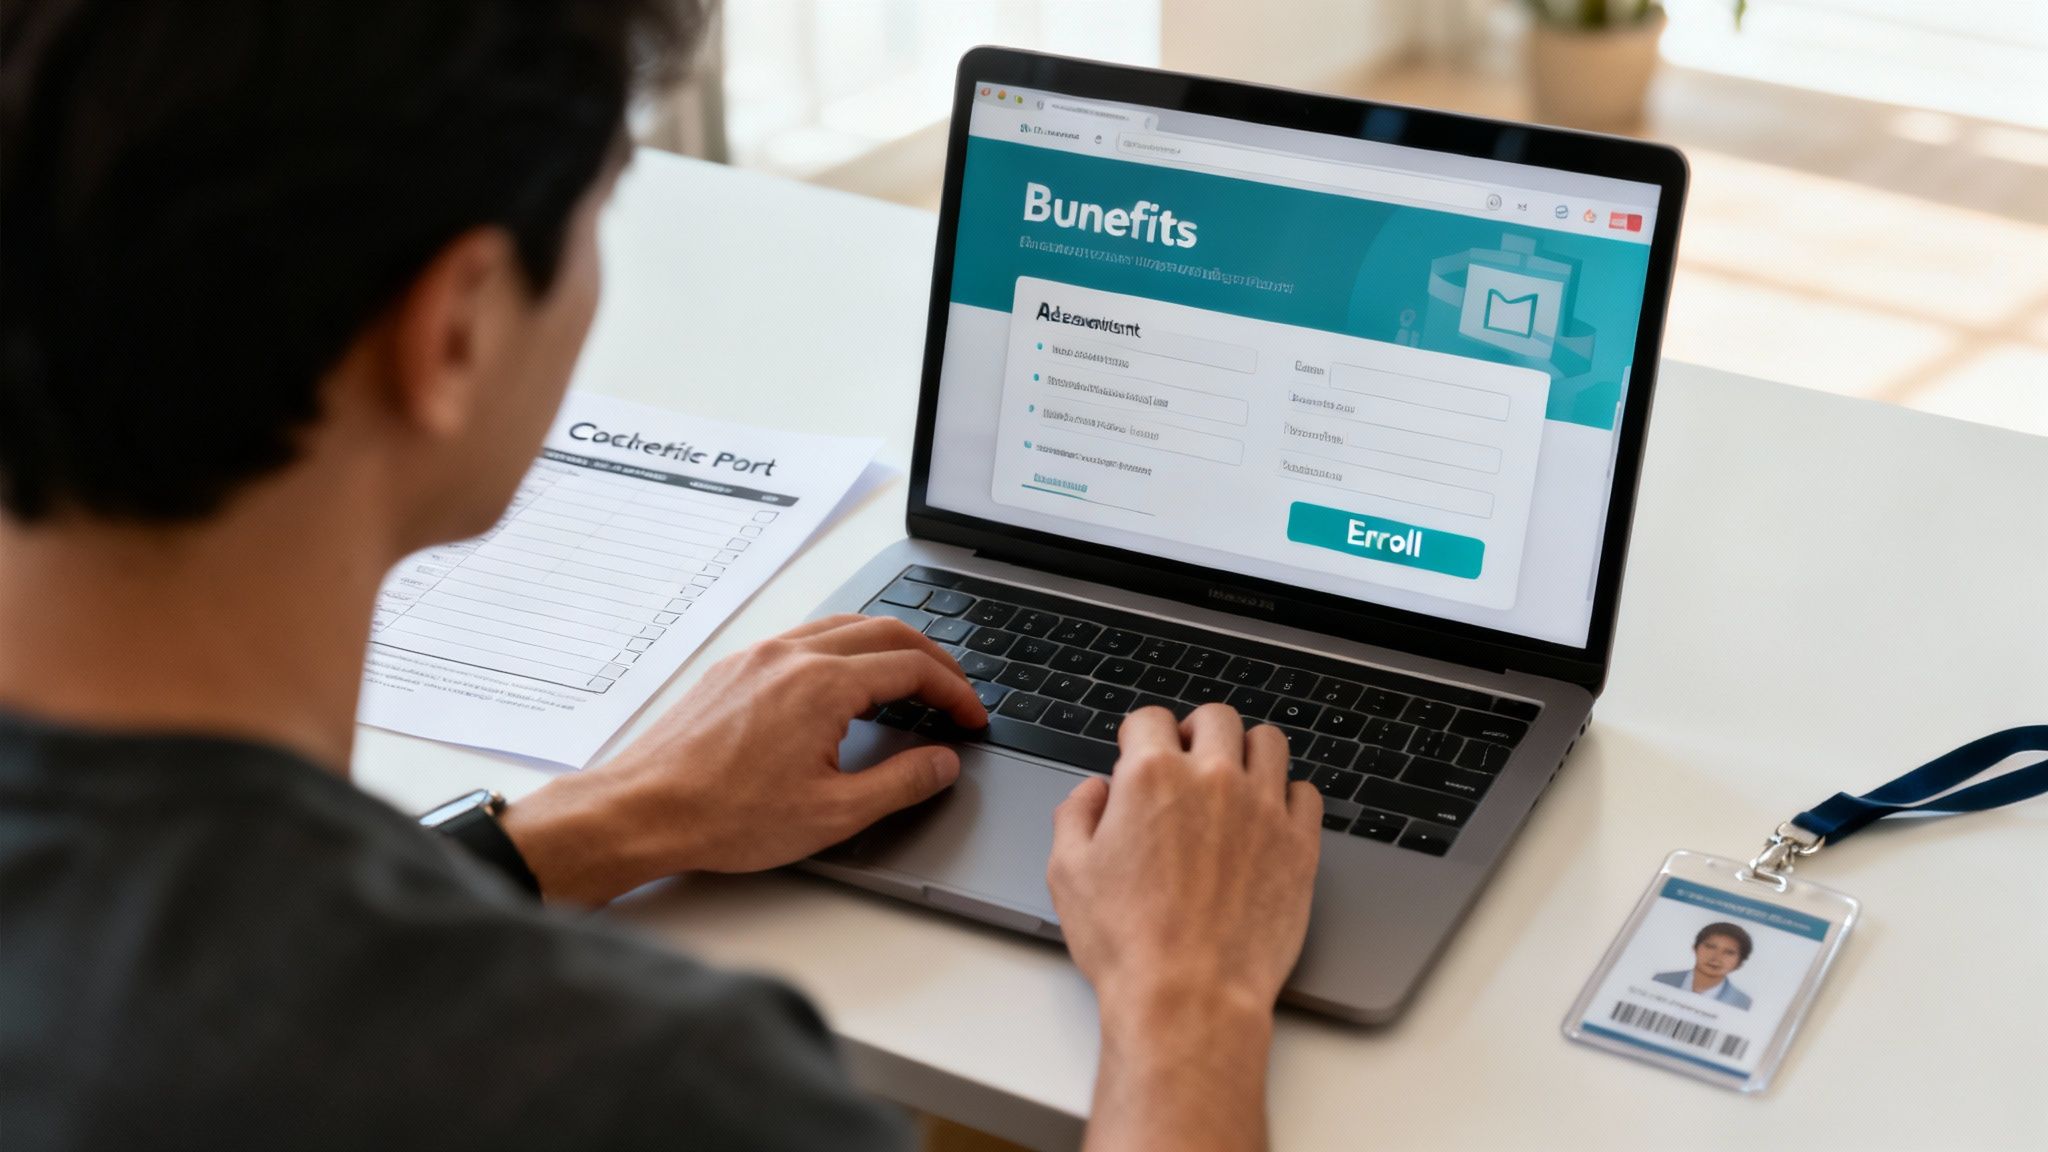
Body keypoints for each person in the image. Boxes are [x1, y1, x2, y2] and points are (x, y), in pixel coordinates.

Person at [0, 2, 1325, 1150]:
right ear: (451, 329)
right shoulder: (643, 1093)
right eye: (595, 218)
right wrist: (1185, 1001)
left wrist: (603, 823)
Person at [1653, 922, 1755, 1010]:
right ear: (1695, 948)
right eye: (1710, 947)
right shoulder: (1660, 979)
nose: (1716, 958)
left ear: (1740, 963)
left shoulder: (1743, 1004)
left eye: (1729, 952)